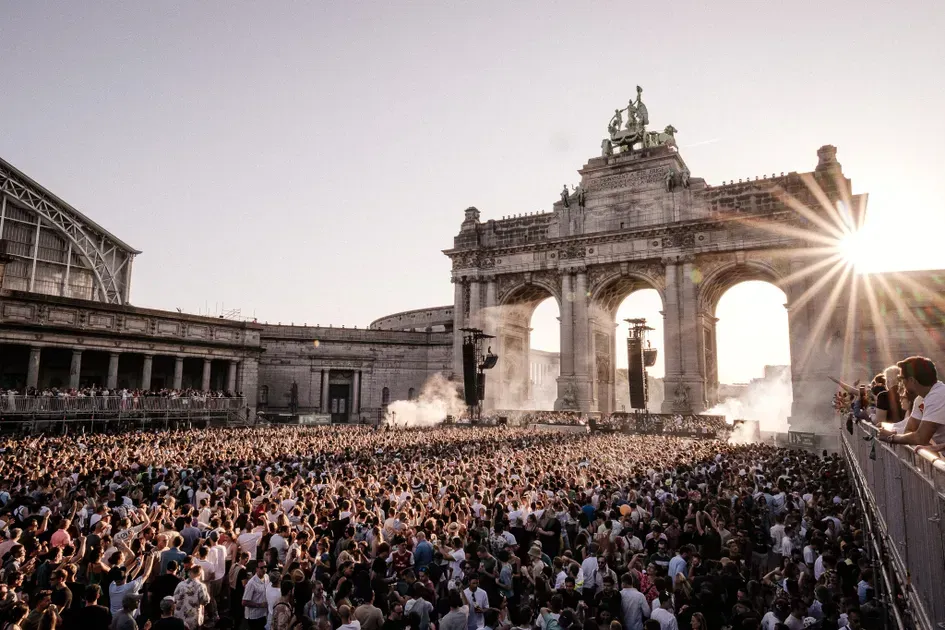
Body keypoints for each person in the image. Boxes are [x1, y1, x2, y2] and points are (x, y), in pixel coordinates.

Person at [880, 356, 945, 446]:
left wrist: (892, 437)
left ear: (911, 380)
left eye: (901, 378)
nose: (900, 383)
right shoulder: (920, 399)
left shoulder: (938, 395)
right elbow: (909, 430)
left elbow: (920, 438)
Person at [173, 565, 211, 630]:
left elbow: (175, 598)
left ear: (190, 573)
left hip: (179, 617)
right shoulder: (201, 586)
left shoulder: (180, 584)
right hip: (193, 618)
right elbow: (205, 601)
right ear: (200, 574)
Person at [242, 563, 270, 630]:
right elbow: (244, 602)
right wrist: (260, 605)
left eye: (265, 567)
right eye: (261, 568)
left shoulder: (266, 577)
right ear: (257, 569)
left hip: (264, 614)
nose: (264, 569)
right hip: (254, 616)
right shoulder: (251, 583)